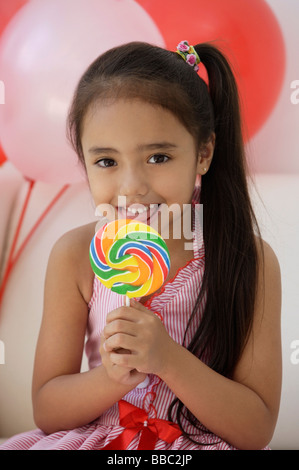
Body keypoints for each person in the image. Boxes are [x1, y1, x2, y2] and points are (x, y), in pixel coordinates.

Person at [0, 40, 281, 450]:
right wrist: (110, 376)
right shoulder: (76, 256)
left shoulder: (248, 260)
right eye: (107, 162)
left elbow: (256, 430)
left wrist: (166, 359)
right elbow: (47, 408)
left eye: (158, 157)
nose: (132, 187)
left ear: (203, 153)